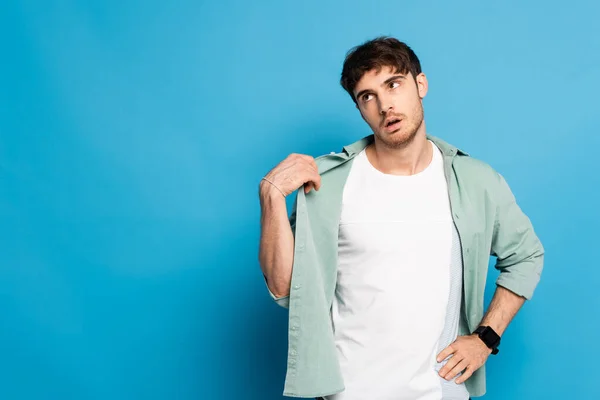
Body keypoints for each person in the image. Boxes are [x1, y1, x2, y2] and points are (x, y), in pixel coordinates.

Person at [258, 36, 544, 400]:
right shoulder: (327, 184)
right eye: (367, 96)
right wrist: (271, 199)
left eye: (393, 84)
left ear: (420, 85)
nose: (384, 105)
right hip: (349, 392)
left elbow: (526, 256)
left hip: (442, 391)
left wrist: (486, 338)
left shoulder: (474, 181)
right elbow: (285, 289)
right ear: (360, 109)